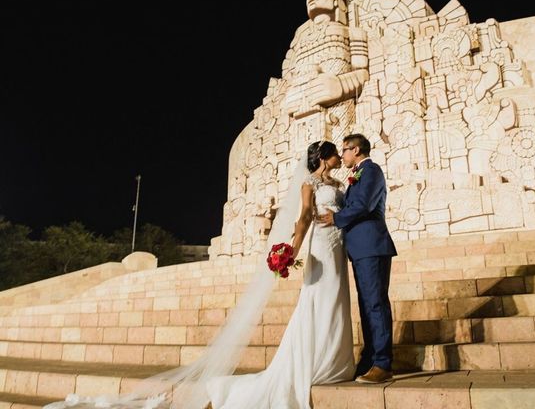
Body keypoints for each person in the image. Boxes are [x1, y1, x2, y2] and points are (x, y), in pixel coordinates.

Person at [44, 140, 354, 409]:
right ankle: (316, 362)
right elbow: (303, 219)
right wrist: (291, 251)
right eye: (335, 154)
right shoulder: (307, 184)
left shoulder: (339, 185)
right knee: (319, 299)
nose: (340, 157)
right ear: (325, 157)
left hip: (337, 245)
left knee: (336, 298)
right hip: (319, 247)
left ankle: (334, 358)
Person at [318, 134, 397, 384]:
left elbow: (363, 204)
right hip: (361, 249)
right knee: (366, 306)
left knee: (375, 304)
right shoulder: (357, 174)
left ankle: (383, 363)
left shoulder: (371, 170)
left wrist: (336, 219)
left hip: (372, 246)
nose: (342, 155)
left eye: (345, 150)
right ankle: (369, 358)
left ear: (357, 149)